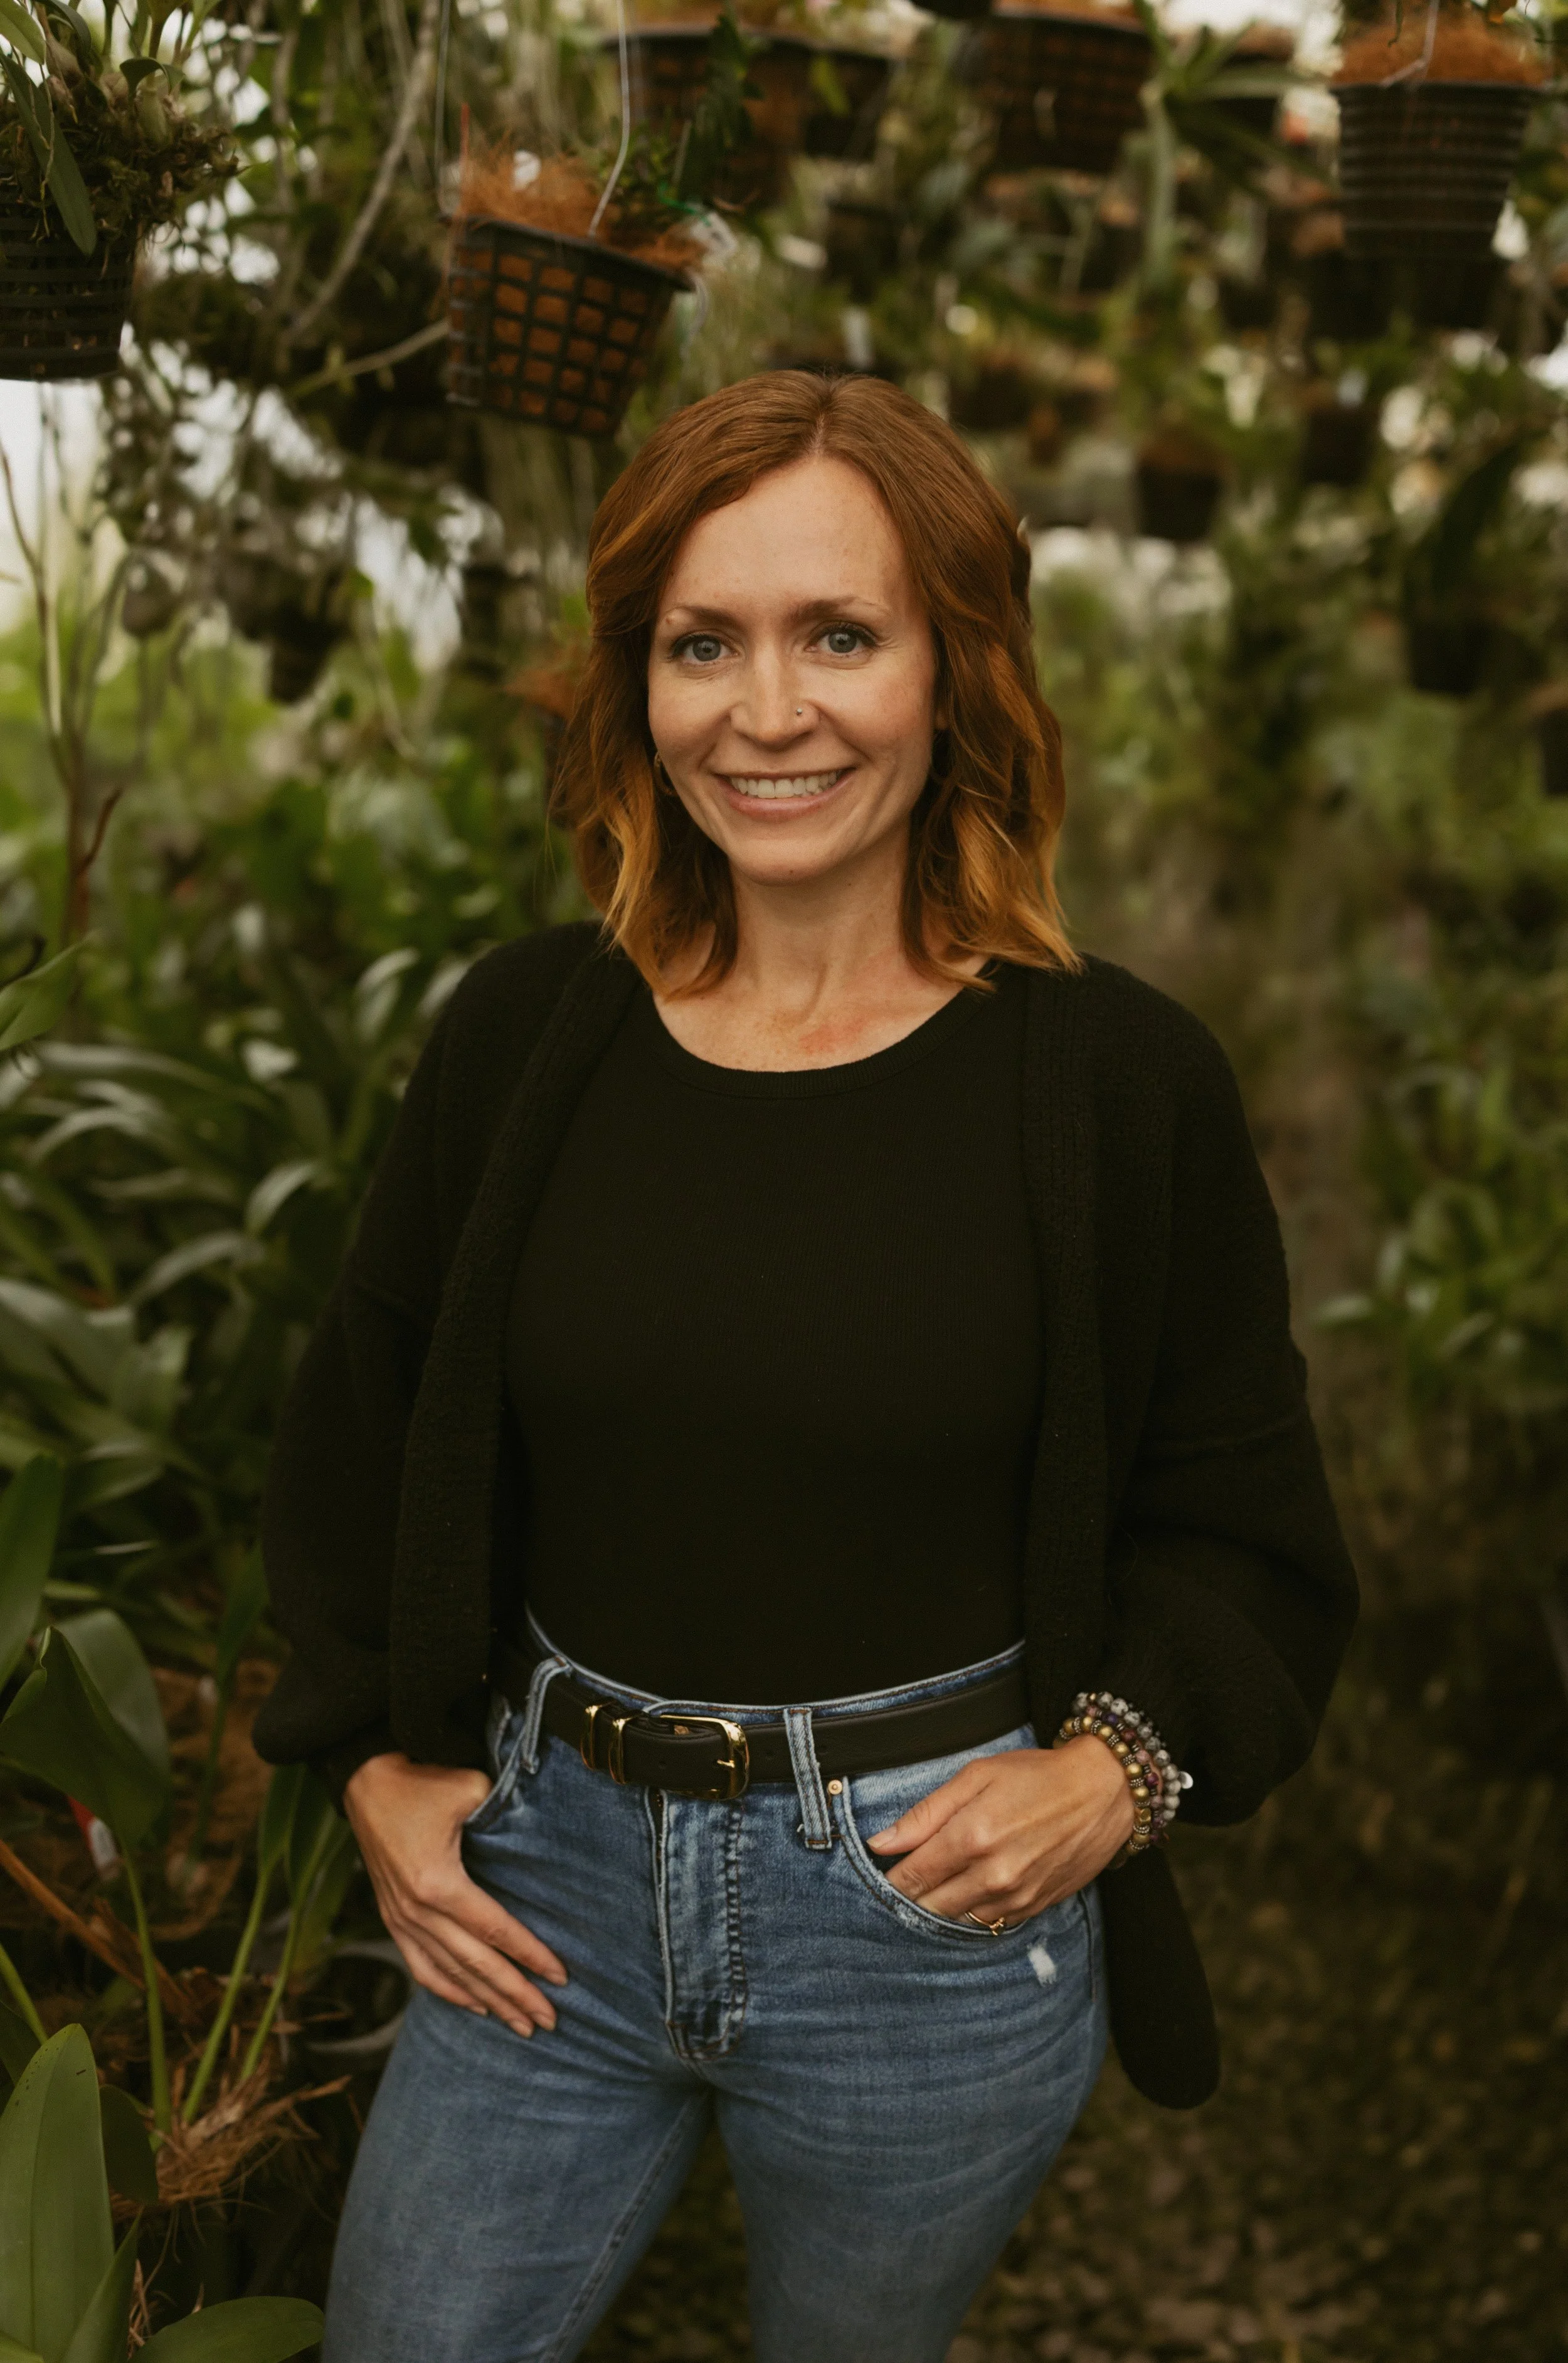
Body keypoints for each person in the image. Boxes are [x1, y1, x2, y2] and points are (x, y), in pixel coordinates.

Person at [253, 370, 1357, 2363]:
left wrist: (1110, 1774)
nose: (767, 713)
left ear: (956, 672)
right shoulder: (524, 1043)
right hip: (542, 1896)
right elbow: (363, 1418)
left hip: (923, 1926)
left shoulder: (1113, 1088)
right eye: (705, 643)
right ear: (638, 684)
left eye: (838, 635)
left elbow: (1249, 1536)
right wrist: (367, 1754)